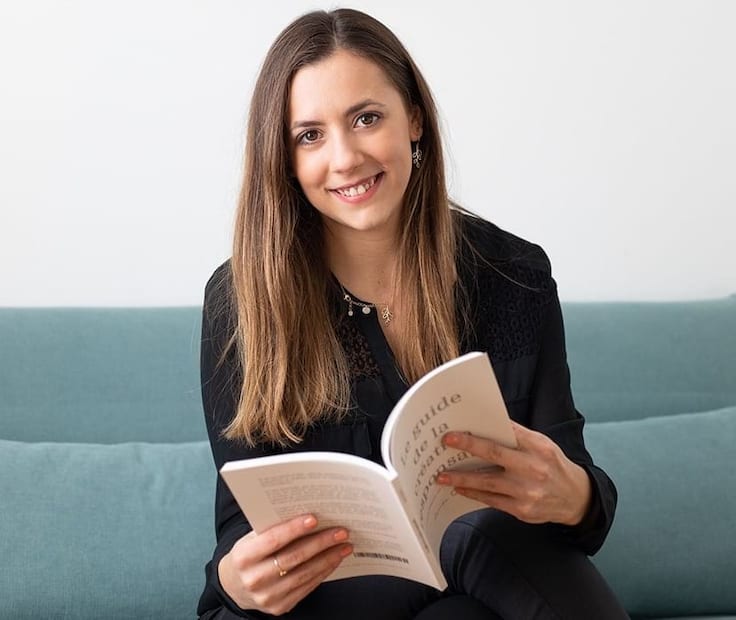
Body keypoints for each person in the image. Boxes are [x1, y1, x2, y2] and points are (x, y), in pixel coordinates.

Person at [197, 8, 629, 619]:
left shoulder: (512, 276)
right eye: (310, 135)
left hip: (473, 593)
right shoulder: (242, 300)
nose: (344, 158)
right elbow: (239, 530)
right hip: (319, 606)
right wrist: (237, 580)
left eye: (367, 119)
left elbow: (575, 511)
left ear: (415, 121)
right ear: (285, 161)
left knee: (467, 583)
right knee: (474, 543)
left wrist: (575, 496)